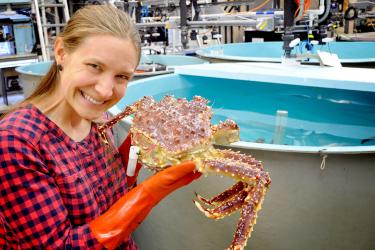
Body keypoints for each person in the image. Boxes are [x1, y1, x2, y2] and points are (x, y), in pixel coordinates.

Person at [0, 4, 201, 249]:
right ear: (61, 52)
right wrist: (151, 192)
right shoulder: (15, 143)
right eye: (95, 66)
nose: (105, 90)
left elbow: (112, 200)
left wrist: (132, 157)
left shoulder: (101, 118)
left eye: (122, 76)